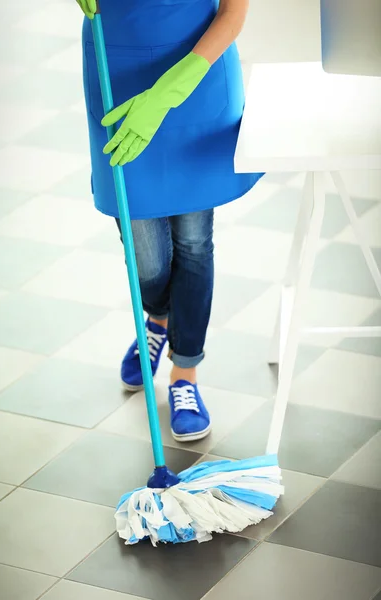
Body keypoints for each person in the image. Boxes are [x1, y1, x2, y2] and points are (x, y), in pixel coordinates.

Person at [77, 0, 263, 442]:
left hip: (195, 75)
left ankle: (185, 372)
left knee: (195, 242)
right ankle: (158, 319)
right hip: (119, 72)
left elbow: (233, 13)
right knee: (147, 257)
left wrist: (167, 94)